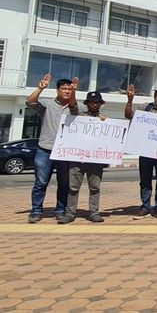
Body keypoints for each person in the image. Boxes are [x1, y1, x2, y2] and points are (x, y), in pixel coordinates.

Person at [26, 74, 79, 223]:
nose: (67, 91)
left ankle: (60, 210)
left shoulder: (76, 105)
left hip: (64, 152)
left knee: (63, 184)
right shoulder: (47, 105)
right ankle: (36, 211)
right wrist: (40, 88)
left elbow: (76, 110)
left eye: (70, 89)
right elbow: (30, 102)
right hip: (45, 148)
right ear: (57, 90)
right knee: (40, 182)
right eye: (64, 89)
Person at [125, 84, 157, 220]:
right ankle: (145, 207)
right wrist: (130, 100)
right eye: (156, 93)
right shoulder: (145, 107)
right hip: (146, 151)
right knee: (145, 180)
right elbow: (128, 115)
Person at [58, 91, 108, 224]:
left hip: (95, 160)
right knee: (73, 188)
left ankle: (94, 212)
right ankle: (70, 213)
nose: (94, 104)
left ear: (100, 104)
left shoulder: (104, 119)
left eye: (97, 102)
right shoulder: (78, 116)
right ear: (87, 103)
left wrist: (105, 123)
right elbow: (72, 106)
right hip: (77, 158)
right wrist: (73, 90)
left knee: (95, 188)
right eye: (92, 102)